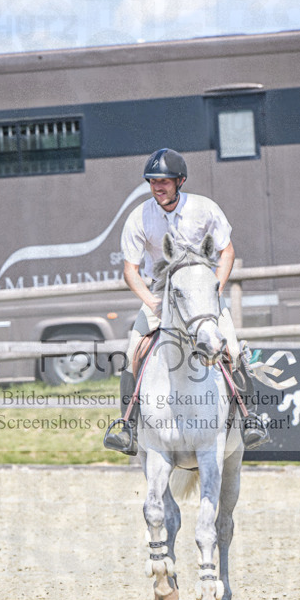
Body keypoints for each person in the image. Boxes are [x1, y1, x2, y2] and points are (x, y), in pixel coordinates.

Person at [103, 148, 269, 455]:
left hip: (203, 295)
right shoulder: (139, 217)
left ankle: (251, 420)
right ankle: (127, 427)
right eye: (152, 181)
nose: (157, 187)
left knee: (231, 348)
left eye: (164, 181)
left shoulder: (205, 209)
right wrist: (151, 302)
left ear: (180, 181)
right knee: (132, 351)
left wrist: (214, 292)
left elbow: (227, 251)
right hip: (160, 294)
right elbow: (131, 271)